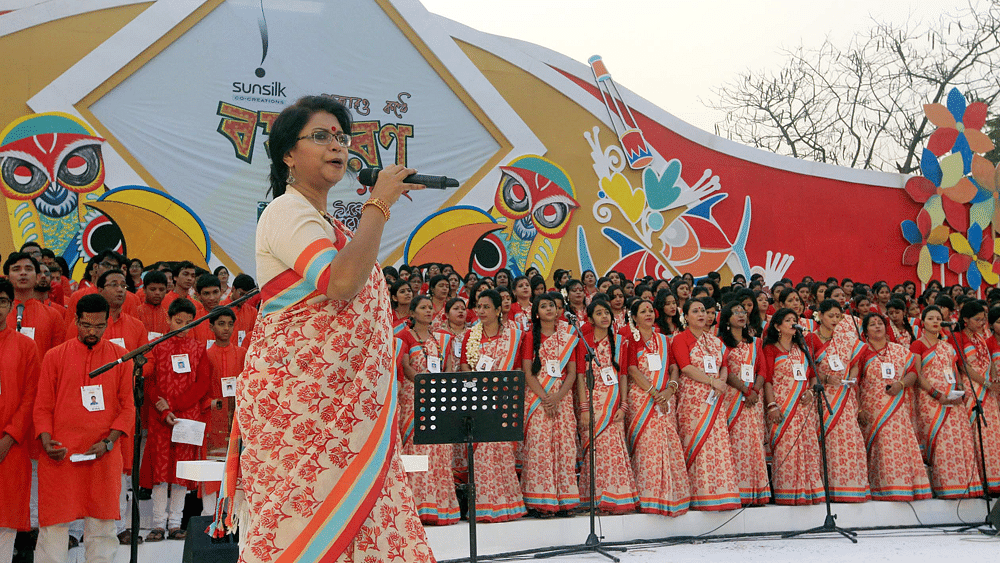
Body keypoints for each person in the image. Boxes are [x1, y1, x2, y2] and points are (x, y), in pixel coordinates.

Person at [225, 95, 433, 561]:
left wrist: (377, 208)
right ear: (287, 154)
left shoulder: (325, 223)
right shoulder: (284, 211)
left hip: (342, 409)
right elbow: (339, 284)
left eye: (340, 137)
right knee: (301, 527)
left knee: (364, 527)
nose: (336, 145)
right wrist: (379, 202)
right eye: (320, 136)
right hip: (302, 410)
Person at [33, 294, 135, 563]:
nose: (92, 332)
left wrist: (109, 443)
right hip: (61, 454)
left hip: (103, 454)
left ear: (107, 324)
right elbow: (42, 406)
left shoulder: (120, 358)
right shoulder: (55, 356)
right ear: (76, 320)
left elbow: (128, 408)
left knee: (102, 525)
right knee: (54, 525)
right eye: (87, 325)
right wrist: (46, 441)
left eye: (99, 326)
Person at [142, 298, 210, 541]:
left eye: (188, 323)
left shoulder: (199, 349)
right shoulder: (155, 347)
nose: (182, 326)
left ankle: (175, 523)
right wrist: (163, 409)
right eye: (177, 321)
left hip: (186, 417)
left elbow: (202, 384)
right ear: (168, 320)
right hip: (161, 417)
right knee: (161, 473)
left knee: (180, 472)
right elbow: (149, 382)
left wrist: (174, 405)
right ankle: (158, 524)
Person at [456, 291, 527, 523]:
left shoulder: (515, 336)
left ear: (498, 310)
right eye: (479, 306)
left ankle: (507, 505)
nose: (481, 311)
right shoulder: (471, 336)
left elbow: (518, 369)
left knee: (503, 452)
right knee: (482, 453)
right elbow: (464, 365)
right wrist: (479, 386)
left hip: (504, 400)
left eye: (487, 307)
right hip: (478, 400)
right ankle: (485, 506)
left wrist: (499, 388)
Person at [851, 313, 932, 500]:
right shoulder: (862, 352)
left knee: (900, 447)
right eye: (872, 324)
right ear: (865, 331)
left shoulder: (900, 350)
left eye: (880, 323)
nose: (877, 327)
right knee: (880, 448)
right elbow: (856, 382)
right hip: (873, 410)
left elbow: (913, 373)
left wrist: (901, 385)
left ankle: (904, 487)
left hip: (897, 409)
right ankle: (882, 488)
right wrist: (860, 409)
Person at [671, 298, 741, 511]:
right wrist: (713, 381)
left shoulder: (715, 341)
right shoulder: (680, 339)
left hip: (716, 399)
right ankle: (701, 496)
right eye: (695, 311)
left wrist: (720, 380)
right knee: (698, 445)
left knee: (717, 445)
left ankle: (721, 495)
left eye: (704, 310)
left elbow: (724, 365)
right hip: (694, 401)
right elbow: (685, 367)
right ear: (685, 316)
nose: (702, 314)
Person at [623, 298, 691, 516]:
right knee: (648, 448)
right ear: (634, 317)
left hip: (664, 399)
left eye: (651, 310)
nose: (648, 314)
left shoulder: (664, 340)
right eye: (643, 311)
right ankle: (649, 497)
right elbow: (632, 370)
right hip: (642, 399)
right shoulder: (629, 339)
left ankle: (671, 497)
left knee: (668, 445)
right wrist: (654, 393)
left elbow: (673, 367)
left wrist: (669, 390)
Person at [397, 295, 460, 525]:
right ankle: (417, 506)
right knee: (416, 451)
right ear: (412, 313)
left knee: (439, 451)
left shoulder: (437, 338)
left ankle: (440, 506)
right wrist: (426, 386)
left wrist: (442, 388)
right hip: (414, 399)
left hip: (437, 400)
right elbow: (405, 367)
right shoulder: (403, 336)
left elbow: (447, 367)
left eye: (430, 308)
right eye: (422, 308)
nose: (428, 311)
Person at [910, 306, 983, 498]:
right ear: (922, 322)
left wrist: (959, 391)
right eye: (931, 318)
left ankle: (966, 487)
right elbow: (917, 374)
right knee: (941, 443)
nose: (935, 321)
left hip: (953, 401)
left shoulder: (949, 346)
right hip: (931, 401)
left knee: (959, 441)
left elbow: (956, 371)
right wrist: (936, 394)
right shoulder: (917, 345)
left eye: (938, 318)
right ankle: (946, 488)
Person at [520, 293, 581, 515]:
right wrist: (546, 398)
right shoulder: (529, 337)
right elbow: (527, 372)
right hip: (537, 399)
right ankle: (540, 501)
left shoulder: (567, 337)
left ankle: (565, 501)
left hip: (561, 399)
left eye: (552, 306)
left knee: (564, 448)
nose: (549, 309)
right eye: (543, 306)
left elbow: (572, 373)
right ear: (536, 313)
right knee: (540, 449)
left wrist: (557, 397)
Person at [804, 299, 870, 502]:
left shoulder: (845, 339)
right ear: (820, 316)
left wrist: (850, 375)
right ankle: (831, 488)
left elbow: (855, 362)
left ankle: (852, 487)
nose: (835, 320)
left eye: (838, 316)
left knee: (850, 440)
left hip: (845, 395)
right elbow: (807, 369)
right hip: (823, 397)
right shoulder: (811, 339)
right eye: (830, 315)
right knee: (829, 443)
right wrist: (825, 379)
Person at [576, 299, 638, 514]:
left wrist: (623, 405)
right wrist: (584, 408)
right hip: (591, 404)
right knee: (594, 452)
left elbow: (622, 376)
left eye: (607, 313)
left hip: (613, 405)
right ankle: (594, 497)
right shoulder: (582, 342)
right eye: (599, 313)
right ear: (590, 318)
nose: (604, 317)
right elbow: (580, 376)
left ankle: (616, 497)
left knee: (613, 450)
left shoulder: (620, 342)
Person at [762, 308, 825, 505]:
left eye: (795, 320)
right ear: (777, 326)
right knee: (787, 449)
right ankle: (788, 493)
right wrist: (772, 406)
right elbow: (768, 380)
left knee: (808, 448)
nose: (793, 323)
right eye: (788, 320)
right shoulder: (771, 349)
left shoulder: (803, 348)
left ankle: (810, 491)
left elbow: (813, 374)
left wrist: (811, 391)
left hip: (804, 406)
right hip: (783, 406)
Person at [0, 279, 42, 563]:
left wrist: (9, 436)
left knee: (6, 516)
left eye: (1, 301)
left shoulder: (26, 346)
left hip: (11, 445)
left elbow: (31, 396)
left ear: (10, 305)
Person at [717, 302, 770, 505]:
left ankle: (756, 493)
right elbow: (725, 371)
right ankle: (738, 491)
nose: (741, 314)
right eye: (735, 311)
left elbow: (762, 371)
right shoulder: (721, 342)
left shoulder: (755, 343)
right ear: (727, 318)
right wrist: (745, 390)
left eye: (742, 311)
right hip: (732, 398)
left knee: (754, 444)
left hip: (753, 401)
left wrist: (754, 391)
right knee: (736, 444)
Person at [202, 307, 247, 514]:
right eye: (221, 324)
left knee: (237, 470)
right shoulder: (205, 356)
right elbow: (199, 389)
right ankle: (210, 515)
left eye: (230, 324)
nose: (226, 328)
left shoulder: (243, 354)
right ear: (210, 327)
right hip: (213, 421)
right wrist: (208, 403)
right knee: (212, 471)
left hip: (238, 420)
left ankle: (234, 516)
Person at [952, 302, 1000, 494]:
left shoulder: (982, 337)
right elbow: (964, 366)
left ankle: (996, 479)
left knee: (994, 434)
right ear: (965, 320)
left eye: (983, 319)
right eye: (977, 320)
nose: (982, 323)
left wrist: (995, 379)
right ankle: (985, 480)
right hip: (974, 389)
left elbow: (990, 362)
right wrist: (986, 383)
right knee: (980, 434)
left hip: (989, 391)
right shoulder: (958, 337)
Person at [4, 252, 63, 356]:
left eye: (28, 269)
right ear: (7, 278)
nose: (23, 273)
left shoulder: (53, 316)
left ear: (37, 277)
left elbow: (58, 358)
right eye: (16, 269)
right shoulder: (2, 313)